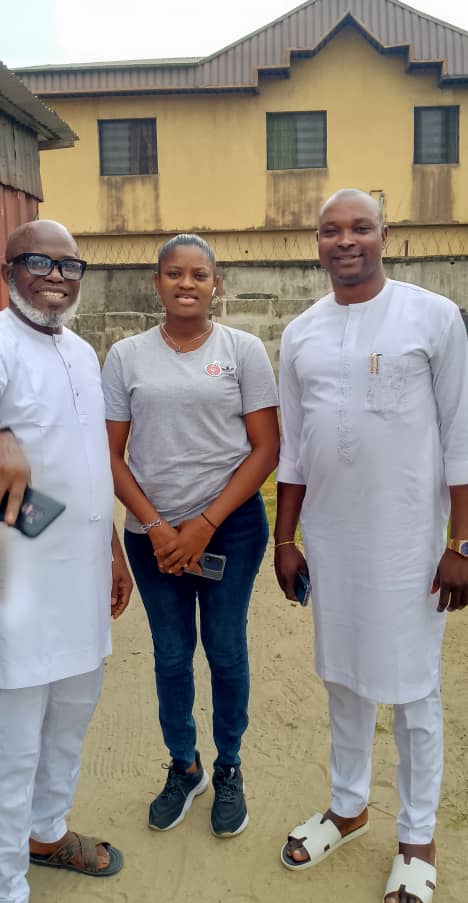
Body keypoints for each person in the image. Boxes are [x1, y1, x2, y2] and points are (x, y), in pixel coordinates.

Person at [274, 189, 468, 903]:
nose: (346, 240)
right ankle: (349, 806)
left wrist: (462, 542)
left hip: (410, 542)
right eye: (331, 230)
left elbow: (462, 433)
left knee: (414, 689)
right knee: (345, 678)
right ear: (317, 244)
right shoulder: (301, 332)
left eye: (361, 227)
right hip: (332, 539)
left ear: (388, 235)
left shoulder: (434, 317)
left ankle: (417, 837)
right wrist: (285, 537)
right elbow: (294, 446)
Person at [102, 233, 279, 838]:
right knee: (172, 655)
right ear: (156, 283)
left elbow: (265, 448)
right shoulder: (125, 355)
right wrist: (156, 527)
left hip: (230, 529)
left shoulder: (242, 350)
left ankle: (229, 766)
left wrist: (203, 525)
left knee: (225, 649)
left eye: (199, 274)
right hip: (152, 536)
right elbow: (111, 454)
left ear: (215, 284)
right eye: (174, 273)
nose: (186, 283)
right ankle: (185, 765)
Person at [0, 220, 133, 903]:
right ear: (9, 271)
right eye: (39, 262)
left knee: (71, 718)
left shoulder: (83, 352)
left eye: (69, 265)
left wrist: (112, 548)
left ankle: (46, 832)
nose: (56, 276)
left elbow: (89, 463)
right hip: (19, 584)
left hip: (83, 578)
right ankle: (8, 883)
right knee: (14, 741)